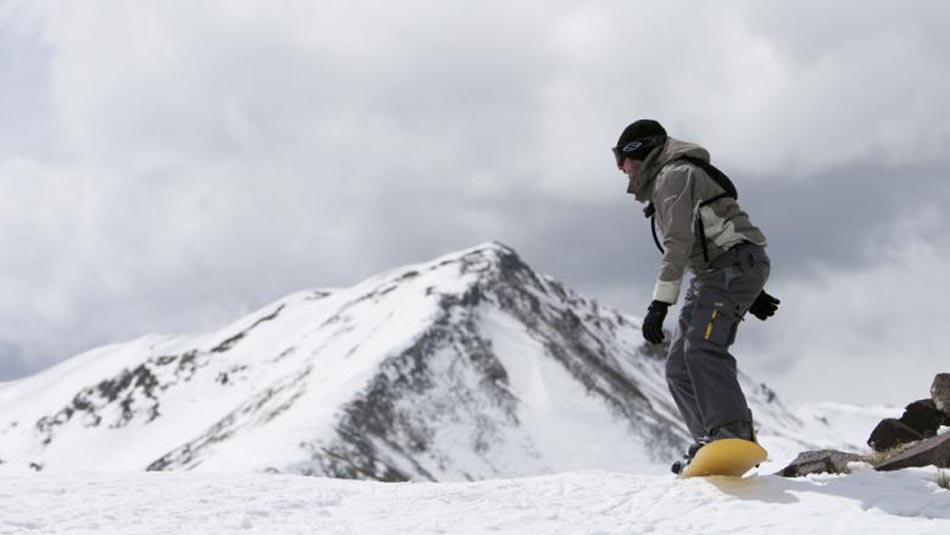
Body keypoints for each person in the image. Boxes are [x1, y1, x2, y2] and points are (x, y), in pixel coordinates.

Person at [612, 119, 780, 467]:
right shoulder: (665, 180)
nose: (621, 169)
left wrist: (660, 303)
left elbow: (678, 243)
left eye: (621, 158)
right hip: (716, 273)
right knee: (677, 366)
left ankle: (731, 433)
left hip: (731, 265)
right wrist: (752, 289)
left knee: (703, 349)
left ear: (638, 152)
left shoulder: (674, 176)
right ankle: (711, 441)